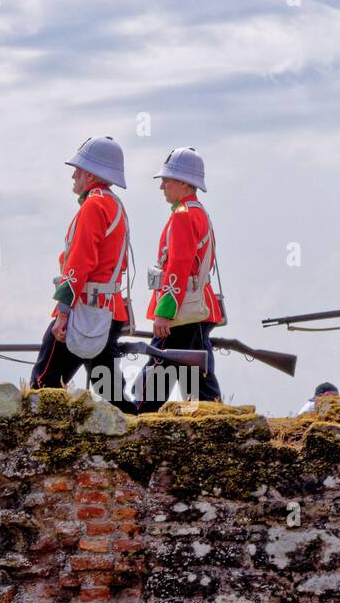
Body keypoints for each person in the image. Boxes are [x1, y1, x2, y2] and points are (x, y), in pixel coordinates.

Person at [30, 136, 134, 412]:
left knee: (43, 385)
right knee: (113, 395)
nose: (74, 174)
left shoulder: (94, 206)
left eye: (79, 169)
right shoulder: (114, 205)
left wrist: (63, 312)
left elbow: (78, 265)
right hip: (106, 311)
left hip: (83, 311)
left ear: (91, 174)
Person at [135, 147, 224, 412]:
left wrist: (165, 312)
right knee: (198, 380)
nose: (162, 185)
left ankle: (139, 423)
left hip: (181, 310)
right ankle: (217, 420)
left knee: (157, 373)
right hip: (194, 307)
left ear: (184, 182)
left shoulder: (184, 215)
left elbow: (178, 267)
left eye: (168, 179)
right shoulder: (196, 212)